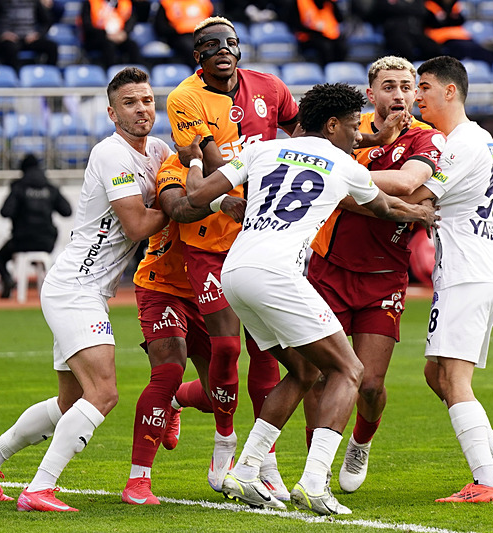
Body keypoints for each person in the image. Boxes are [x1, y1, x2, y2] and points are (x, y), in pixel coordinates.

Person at [180, 82, 440, 515]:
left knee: (304, 371)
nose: (357, 136)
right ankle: (315, 482)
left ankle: (244, 471)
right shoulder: (344, 164)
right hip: (278, 274)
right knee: (349, 370)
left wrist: (195, 163)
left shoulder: (261, 149)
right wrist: (421, 213)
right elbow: (385, 208)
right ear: (332, 125)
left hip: (236, 272)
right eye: (353, 127)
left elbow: (196, 196)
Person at [0, 67, 169, 512]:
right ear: (112, 113)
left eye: (147, 100)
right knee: (104, 394)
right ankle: (39, 489)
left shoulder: (158, 151)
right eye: (130, 103)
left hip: (84, 288)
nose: (141, 109)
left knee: (71, 400)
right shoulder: (110, 153)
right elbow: (137, 224)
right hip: (77, 287)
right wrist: (182, 207)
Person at [164, 16, 299, 499]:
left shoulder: (271, 87)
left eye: (230, 42)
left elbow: (305, 134)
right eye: (211, 43)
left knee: (267, 349)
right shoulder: (185, 98)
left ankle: (265, 460)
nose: (222, 48)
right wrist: (254, 187)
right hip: (209, 240)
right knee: (226, 349)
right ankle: (224, 442)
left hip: (262, 238)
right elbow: (213, 162)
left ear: (240, 49)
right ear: (197, 54)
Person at [305, 55, 445, 494]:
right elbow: (325, 180)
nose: (399, 94)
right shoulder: (348, 129)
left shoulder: (427, 137)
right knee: (319, 375)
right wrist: (367, 189)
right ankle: (315, 468)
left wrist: (346, 181)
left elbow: (405, 185)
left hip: (384, 276)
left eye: (406, 86)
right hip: (329, 268)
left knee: (369, 384)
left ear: (415, 93)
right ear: (371, 94)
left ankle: (360, 443)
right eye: (388, 86)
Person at [407, 55, 493, 502]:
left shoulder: (461, 143)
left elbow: (415, 194)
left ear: (450, 90)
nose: (417, 96)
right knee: (435, 374)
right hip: (479, 267)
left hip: (466, 272)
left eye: (424, 87)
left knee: (454, 379)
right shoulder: (480, 139)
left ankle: (486, 482)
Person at [122, 152, 247, 505]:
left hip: (210, 291)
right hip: (161, 286)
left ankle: (176, 402)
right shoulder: (175, 167)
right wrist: (223, 202)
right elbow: (180, 208)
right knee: (168, 370)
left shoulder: (241, 164)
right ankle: (138, 481)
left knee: (216, 397)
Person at [0, 153, 72, 299]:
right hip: (46, 242)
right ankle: (45, 281)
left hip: (22, 241)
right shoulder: (50, 188)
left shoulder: (19, 187)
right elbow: (67, 211)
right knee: (40, 259)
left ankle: (8, 280)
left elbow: (5, 212)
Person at [0, 0, 59, 72]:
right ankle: (14, 77)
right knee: (10, 49)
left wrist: (38, 34)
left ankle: (49, 75)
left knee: (52, 47)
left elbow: (47, 21)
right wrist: (0, 34)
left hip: (29, 39)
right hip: (8, 40)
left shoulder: (34, 1)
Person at [424, 0, 493, 63]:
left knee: (485, 51)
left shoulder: (455, 5)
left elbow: (459, 21)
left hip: (459, 36)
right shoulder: (428, 5)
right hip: (441, 39)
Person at [81, 0, 145, 70]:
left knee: (133, 46)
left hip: (119, 36)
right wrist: (106, 34)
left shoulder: (124, 3)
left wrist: (124, 33)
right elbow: (87, 26)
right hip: (97, 38)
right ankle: (113, 72)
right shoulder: (91, 3)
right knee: (109, 46)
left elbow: (131, 21)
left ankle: (136, 73)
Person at [286, 0, 348, 66]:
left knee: (341, 46)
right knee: (326, 46)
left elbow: (340, 19)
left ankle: (336, 68)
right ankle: (326, 68)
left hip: (328, 36)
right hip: (308, 37)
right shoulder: (299, 3)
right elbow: (293, 23)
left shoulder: (329, 4)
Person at [154, 0, 214, 66]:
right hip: (180, 37)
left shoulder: (204, 2)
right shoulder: (168, 3)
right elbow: (160, 27)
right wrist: (178, 30)